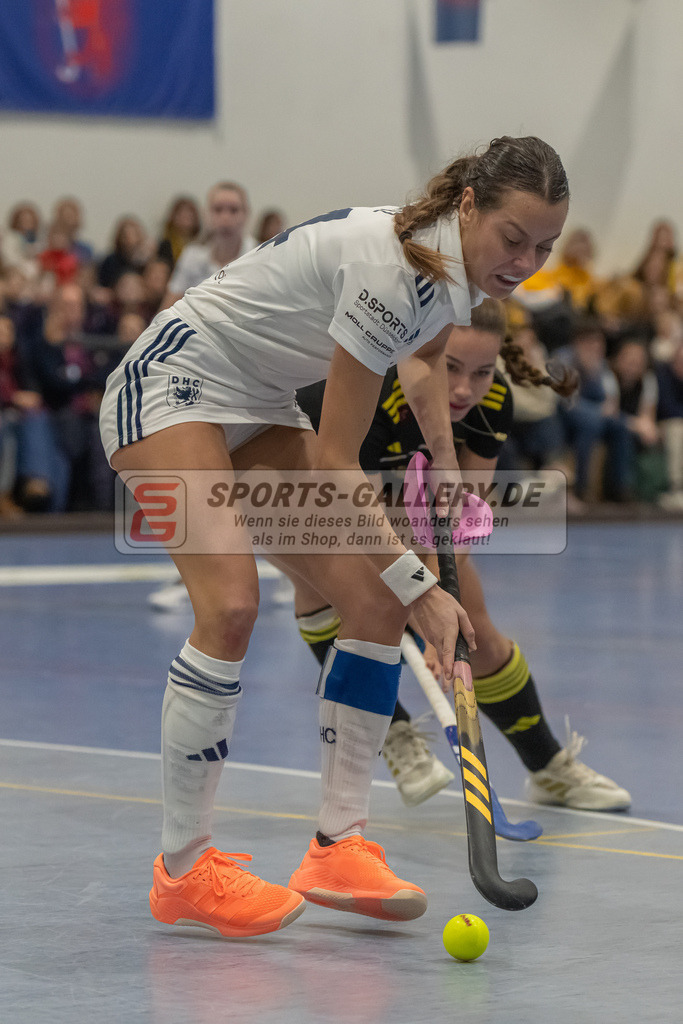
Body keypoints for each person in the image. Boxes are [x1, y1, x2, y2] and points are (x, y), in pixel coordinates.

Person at [100, 136, 569, 938]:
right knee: (233, 607)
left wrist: (447, 463)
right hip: (172, 385)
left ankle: (338, 845)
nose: (524, 262)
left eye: (544, 248)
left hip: (255, 398)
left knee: (372, 604)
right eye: (513, 240)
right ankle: (182, 868)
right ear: (468, 208)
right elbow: (335, 460)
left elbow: (422, 364)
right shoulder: (392, 271)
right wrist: (424, 591)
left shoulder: (448, 273)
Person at [291, 301, 630, 811]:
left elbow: (462, 519)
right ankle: (397, 733)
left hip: (398, 502)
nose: (465, 389)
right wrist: (419, 598)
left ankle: (549, 768)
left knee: (478, 635)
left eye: (482, 371)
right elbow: (353, 514)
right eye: (449, 368)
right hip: (304, 482)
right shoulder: (373, 389)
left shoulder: (494, 401)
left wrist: (442, 598)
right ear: (419, 355)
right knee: (354, 601)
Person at [159, 182, 257, 308]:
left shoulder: (260, 255)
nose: (225, 217)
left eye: (234, 210)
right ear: (206, 214)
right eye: (218, 210)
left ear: (246, 214)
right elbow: (167, 309)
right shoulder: (192, 255)